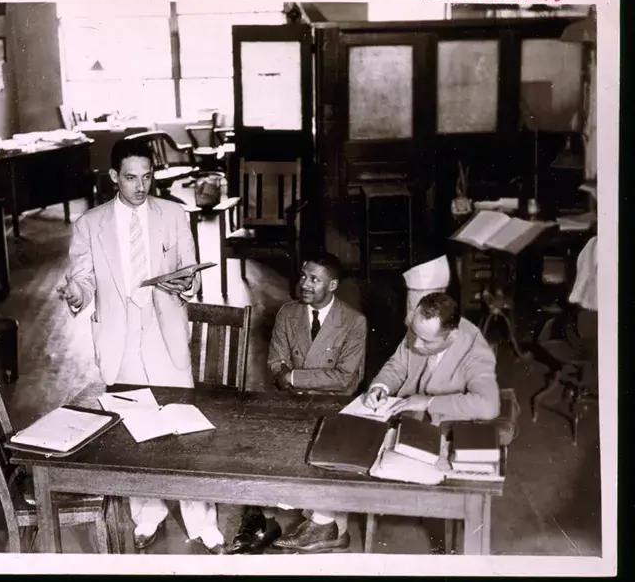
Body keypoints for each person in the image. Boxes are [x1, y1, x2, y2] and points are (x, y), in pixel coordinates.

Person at [57, 139, 226, 555]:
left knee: (185, 428)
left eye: (147, 176)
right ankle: (146, 515)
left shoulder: (173, 213)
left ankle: (202, 520)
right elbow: (83, 278)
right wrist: (77, 294)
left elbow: (192, 271)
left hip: (164, 331)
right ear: (114, 177)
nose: (140, 185)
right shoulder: (89, 224)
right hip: (118, 337)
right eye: (131, 177)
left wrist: (186, 281)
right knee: (134, 428)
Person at [229, 252, 368, 555]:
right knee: (257, 444)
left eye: (314, 279)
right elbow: (275, 364)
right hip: (290, 403)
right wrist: (287, 378)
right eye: (303, 276)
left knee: (324, 454)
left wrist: (294, 378)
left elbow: (345, 380)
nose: (304, 283)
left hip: (333, 407)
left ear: (332, 285)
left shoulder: (353, 321)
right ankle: (267, 520)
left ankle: (323, 526)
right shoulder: (288, 314)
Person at [362, 291, 500, 424]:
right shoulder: (420, 329)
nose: (416, 344)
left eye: (426, 341)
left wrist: (428, 402)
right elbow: (397, 367)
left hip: (447, 422)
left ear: (452, 337)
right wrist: (380, 387)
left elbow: (489, 406)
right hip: (407, 415)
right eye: (414, 334)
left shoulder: (475, 350)